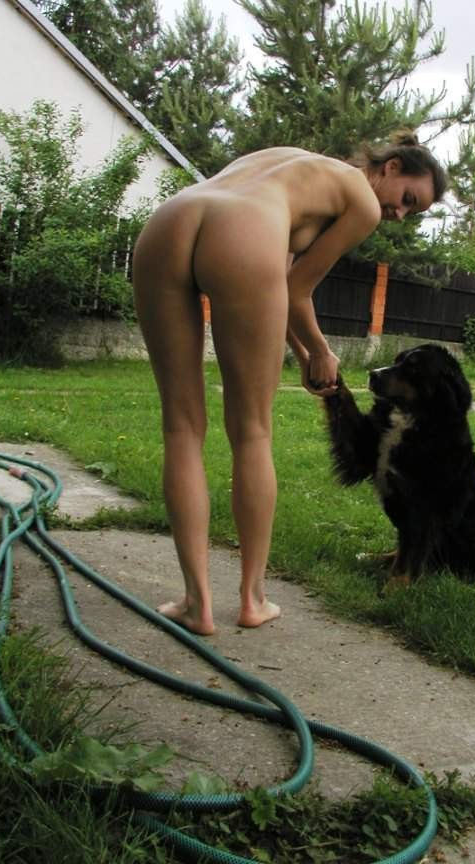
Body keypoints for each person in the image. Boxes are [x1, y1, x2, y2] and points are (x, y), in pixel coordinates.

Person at [132, 133, 447, 633]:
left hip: (171, 218)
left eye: (413, 212)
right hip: (245, 231)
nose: (400, 213)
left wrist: (301, 354)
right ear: (390, 167)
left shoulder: (297, 168)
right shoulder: (363, 201)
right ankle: (252, 600)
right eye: (408, 198)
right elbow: (295, 289)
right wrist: (321, 350)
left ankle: (196, 603)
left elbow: (274, 284)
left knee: (181, 427)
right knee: (251, 432)